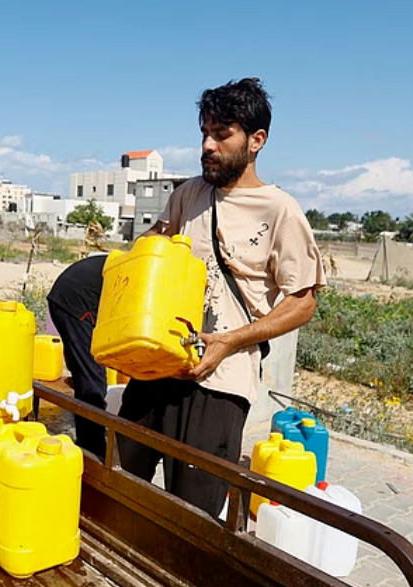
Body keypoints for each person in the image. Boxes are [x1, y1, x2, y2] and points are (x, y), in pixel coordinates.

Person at [117, 78, 326, 519]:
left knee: (194, 513)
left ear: (256, 141)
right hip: (156, 365)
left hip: (220, 384)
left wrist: (230, 340)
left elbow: (303, 301)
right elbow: (150, 259)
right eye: (204, 133)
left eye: (222, 133)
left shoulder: (280, 211)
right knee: (120, 485)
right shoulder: (188, 195)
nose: (208, 145)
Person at [47, 253, 109, 459]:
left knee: (84, 367)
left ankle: (90, 428)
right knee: (92, 377)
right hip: (76, 299)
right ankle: (92, 447)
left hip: (68, 293)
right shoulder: (150, 276)